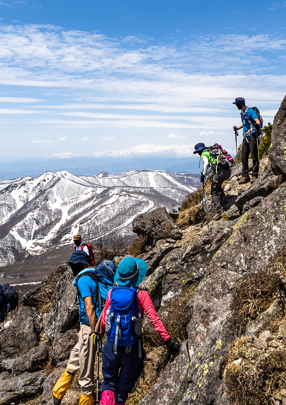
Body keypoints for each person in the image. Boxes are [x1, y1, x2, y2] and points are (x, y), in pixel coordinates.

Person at [97, 256, 179, 405]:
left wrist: (101, 334)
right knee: (122, 393)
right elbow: (155, 320)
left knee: (108, 386)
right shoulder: (141, 295)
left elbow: (104, 321)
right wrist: (168, 342)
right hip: (131, 350)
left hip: (111, 347)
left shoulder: (111, 293)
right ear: (136, 276)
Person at [52, 250, 105, 405]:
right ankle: (58, 392)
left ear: (80, 265)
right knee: (76, 357)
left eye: (74, 265)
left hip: (90, 326)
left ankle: (86, 398)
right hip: (87, 326)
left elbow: (89, 307)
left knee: (86, 365)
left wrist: (94, 330)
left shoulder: (83, 280)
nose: (72, 268)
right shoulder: (93, 276)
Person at [194, 142, 232, 219]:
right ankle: (222, 196)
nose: (198, 154)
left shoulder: (204, 154)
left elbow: (206, 164)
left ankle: (220, 212)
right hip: (227, 171)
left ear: (199, 151)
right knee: (214, 180)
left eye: (197, 152)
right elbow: (213, 165)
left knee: (213, 192)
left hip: (220, 173)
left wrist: (203, 174)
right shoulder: (211, 151)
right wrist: (207, 173)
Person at [232, 97, 263, 180]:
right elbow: (244, 123)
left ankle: (254, 175)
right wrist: (237, 128)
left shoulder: (250, 111)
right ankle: (245, 175)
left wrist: (257, 124)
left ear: (240, 104)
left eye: (236, 104)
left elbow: (257, 120)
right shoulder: (242, 112)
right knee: (244, 156)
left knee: (254, 155)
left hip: (252, 135)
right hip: (246, 136)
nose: (236, 106)